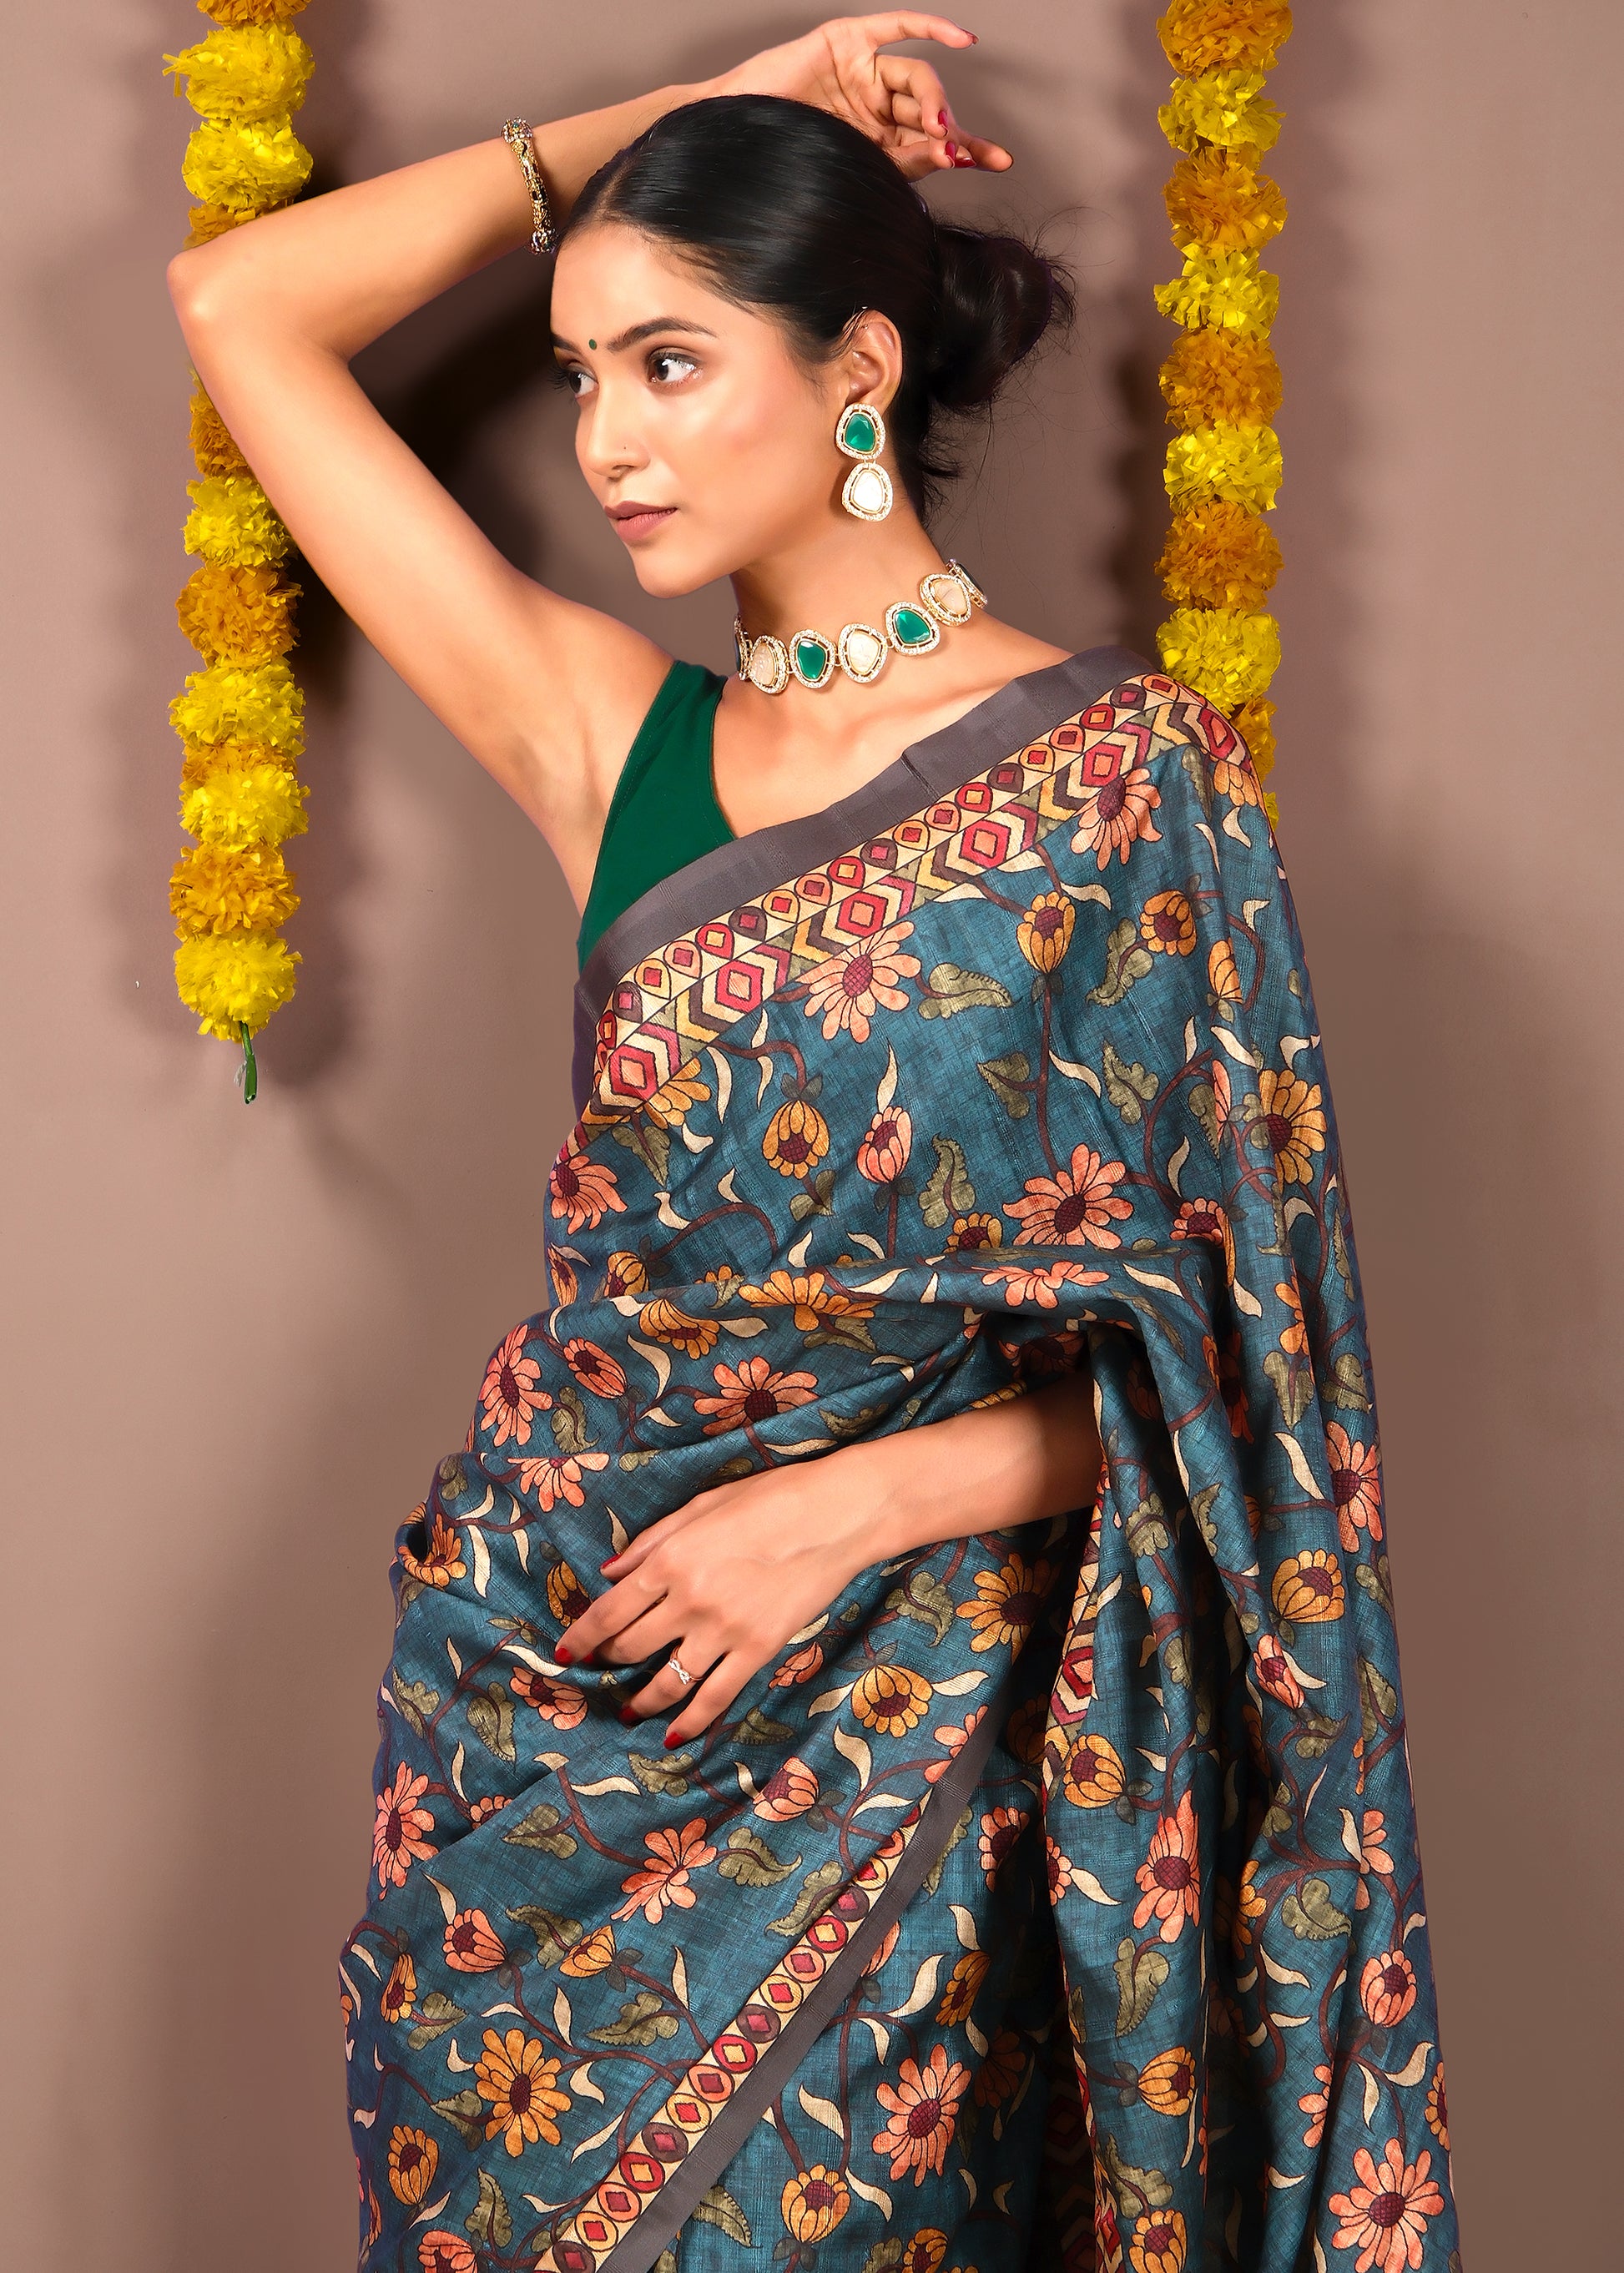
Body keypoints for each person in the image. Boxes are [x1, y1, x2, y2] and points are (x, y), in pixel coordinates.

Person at [169, 17, 1460, 2272]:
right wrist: (690, 118)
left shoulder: (1128, 787)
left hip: (889, 1715)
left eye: (667, 365)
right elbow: (235, 310)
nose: (603, 445)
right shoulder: (606, 735)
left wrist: (857, 1499)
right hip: (547, 1708)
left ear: (851, 364)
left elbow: (1254, 1379)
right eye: (579, 376)